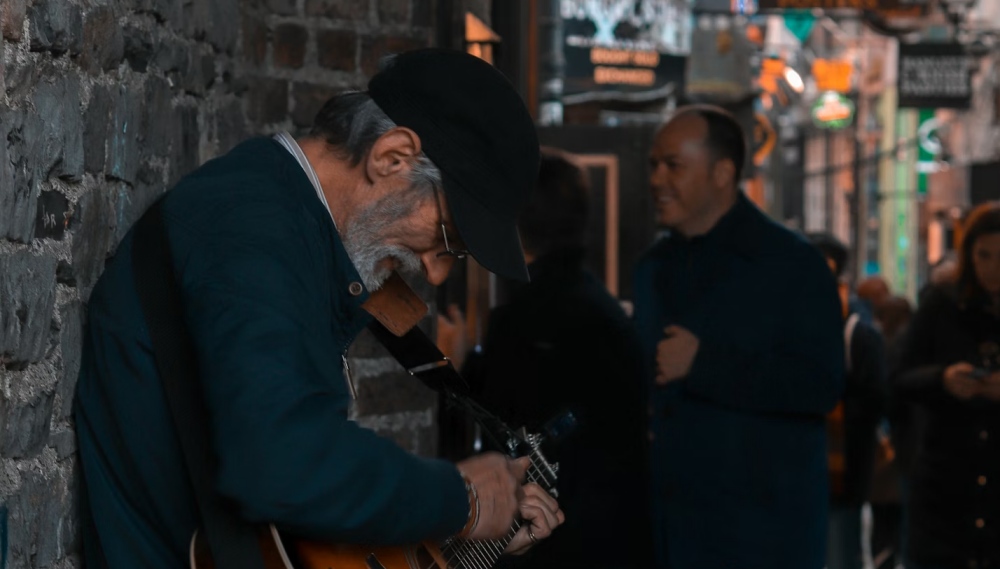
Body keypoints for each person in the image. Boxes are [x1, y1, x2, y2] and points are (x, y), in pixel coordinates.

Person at [74, 49, 564, 569]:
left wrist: (458, 536)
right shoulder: (251, 230)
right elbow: (279, 464)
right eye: (448, 237)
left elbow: (293, 525)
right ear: (392, 157)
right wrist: (459, 500)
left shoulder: (288, 228)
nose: (437, 272)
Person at [632, 105, 845, 569]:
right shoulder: (652, 268)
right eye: (654, 165)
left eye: (673, 165)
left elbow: (820, 384)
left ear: (723, 173)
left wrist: (702, 364)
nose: (657, 179)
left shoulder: (793, 265)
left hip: (760, 540)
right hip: (668, 536)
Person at [446, 148, 652, 569]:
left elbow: (502, 437)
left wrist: (455, 369)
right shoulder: (599, 306)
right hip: (615, 535)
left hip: (558, 540)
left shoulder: (528, 317)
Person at [893, 201, 1000, 569]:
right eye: (984, 255)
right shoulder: (943, 304)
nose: (993, 268)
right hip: (946, 490)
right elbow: (900, 377)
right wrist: (943, 379)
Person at [808, 233, 887, 569]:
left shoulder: (857, 332)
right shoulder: (791, 322)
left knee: (840, 552)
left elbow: (876, 400)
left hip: (843, 475)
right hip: (798, 471)